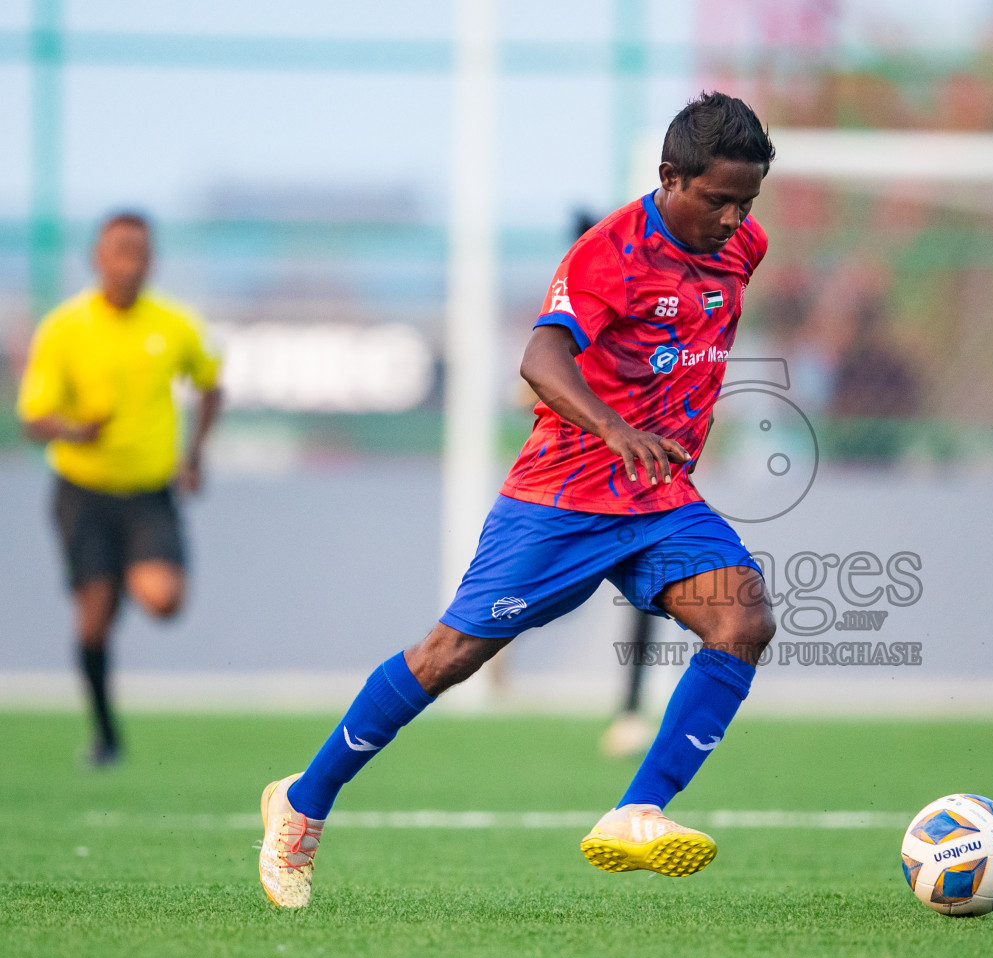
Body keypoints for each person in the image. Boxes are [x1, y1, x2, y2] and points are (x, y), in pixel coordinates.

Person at [258, 92, 778, 908]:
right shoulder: (611, 253)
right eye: (716, 200)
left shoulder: (744, 246)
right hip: (564, 495)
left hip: (659, 496)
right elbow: (540, 358)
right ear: (669, 177)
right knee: (447, 660)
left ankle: (638, 810)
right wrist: (614, 426)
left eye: (745, 201)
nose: (732, 218)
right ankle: (302, 802)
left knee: (742, 617)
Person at [15, 211, 223, 766]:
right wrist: (71, 430)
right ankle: (106, 735)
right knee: (94, 620)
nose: (129, 263)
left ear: (151, 262)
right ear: (97, 258)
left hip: (150, 492)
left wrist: (195, 455)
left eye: (139, 252)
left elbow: (210, 386)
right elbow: (32, 416)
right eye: (118, 251)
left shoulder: (174, 326)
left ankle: (130, 569)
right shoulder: (65, 328)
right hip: (83, 490)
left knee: (162, 599)